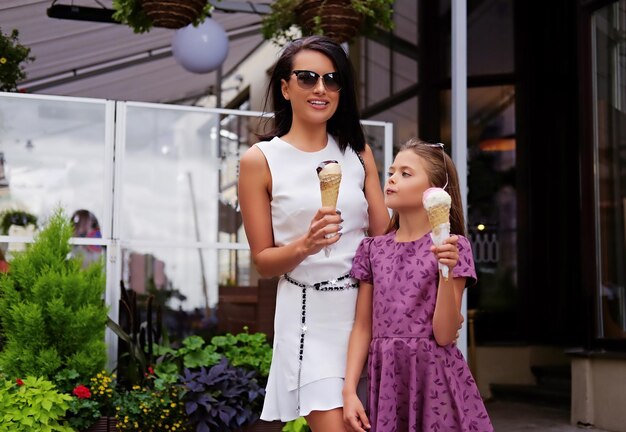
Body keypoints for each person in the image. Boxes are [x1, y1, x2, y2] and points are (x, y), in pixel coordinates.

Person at [238, 35, 390, 431]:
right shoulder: (261, 161)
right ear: (286, 88)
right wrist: (305, 245)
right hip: (308, 319)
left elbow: (384, 237)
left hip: (370, 313)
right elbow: (263, 262)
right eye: (307, 78)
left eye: (332, 79)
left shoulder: (358, 152)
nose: (321, 88)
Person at [343, 139, 493, 432]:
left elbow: (445, 333)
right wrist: (349, 391)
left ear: (435, 190)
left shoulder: (453, 246)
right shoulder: (372, 249)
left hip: (434, 379)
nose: (393, 179)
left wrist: (446, 271)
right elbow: (363, 327)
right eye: (391, 172)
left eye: (406, 173)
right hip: (387, 379)